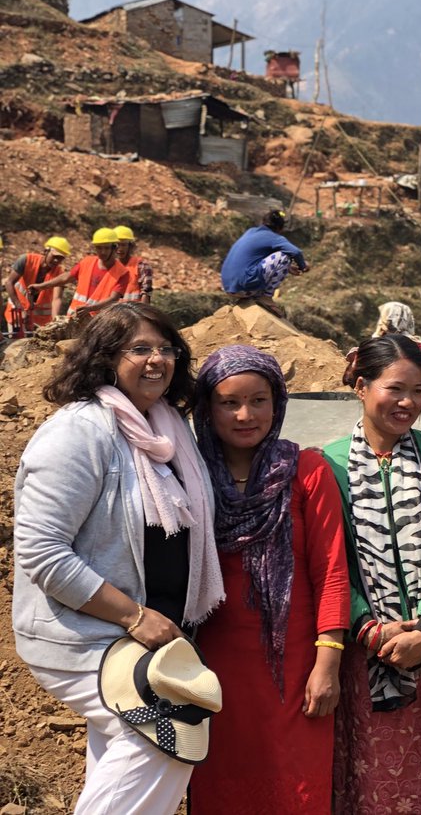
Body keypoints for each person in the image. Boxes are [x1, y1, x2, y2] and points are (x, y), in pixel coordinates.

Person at [11, 302, 222, 815]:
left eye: (166, 349)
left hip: (150, 631)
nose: (157, 360)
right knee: (168, 731)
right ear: (106, 358)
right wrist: (132, 615)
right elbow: (42, 550)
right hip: (86, 631)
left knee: (120, 750)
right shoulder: (79, 432)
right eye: (140, 349)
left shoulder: (168, 429)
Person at [190, 345, 351, 814]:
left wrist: (328, 664)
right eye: (229, 402)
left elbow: (331, 573)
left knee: (295, 789)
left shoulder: (307, 470)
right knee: (221, 786)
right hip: (210, 668)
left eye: (259, 400)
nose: (246, 414)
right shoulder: (189, 474)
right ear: (207, 407)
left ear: (278, 403)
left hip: (296, 669)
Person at [323, 333, 421, 814]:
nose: (408, 402)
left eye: (418, 390)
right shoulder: (326, 464)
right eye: (395, 388)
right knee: (374, 775)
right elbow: (331, 564)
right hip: (368, 648)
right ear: (361, 386)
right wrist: (372, 630)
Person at [31, 227, 130, 319]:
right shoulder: (87, 262)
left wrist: (90, 308)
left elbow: (113, 299)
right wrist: (42, 286)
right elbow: (66, 278)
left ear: (114, 248)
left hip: (99, 323)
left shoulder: (122, 273)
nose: (103, 252)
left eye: (106, 248)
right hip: (74, 319)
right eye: (99, 248)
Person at [219, 210, 309, 309]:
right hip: (243, 288)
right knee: (284, 257)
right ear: (280, 228)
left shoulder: (251, 231)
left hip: (228, 286)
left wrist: (287, 267)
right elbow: (296, 252)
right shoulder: (275, 238)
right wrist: (303, 266)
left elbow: (258, 256)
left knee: (282, 260)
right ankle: (266, 297)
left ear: (263, 222)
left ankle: (253, 294)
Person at [3, 235, 70, 338]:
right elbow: (9, 283)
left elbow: (57, 298)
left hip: (40, 322)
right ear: (46, 251)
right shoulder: (26, 260)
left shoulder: (59, 273)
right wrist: (20, 309)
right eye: (55, 256)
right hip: (18, 315)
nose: (57, 261)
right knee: (16, 347)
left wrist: (55, 321)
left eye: (60, 258)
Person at [115, 225, 153, 303]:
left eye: (123, 245)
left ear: (130, 246)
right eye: (117, 245)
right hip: (112, 312)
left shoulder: (141, 266)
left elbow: (146, 293)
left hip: (134, 312)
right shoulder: (109, 267)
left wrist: (142, 314)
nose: (120, 249)